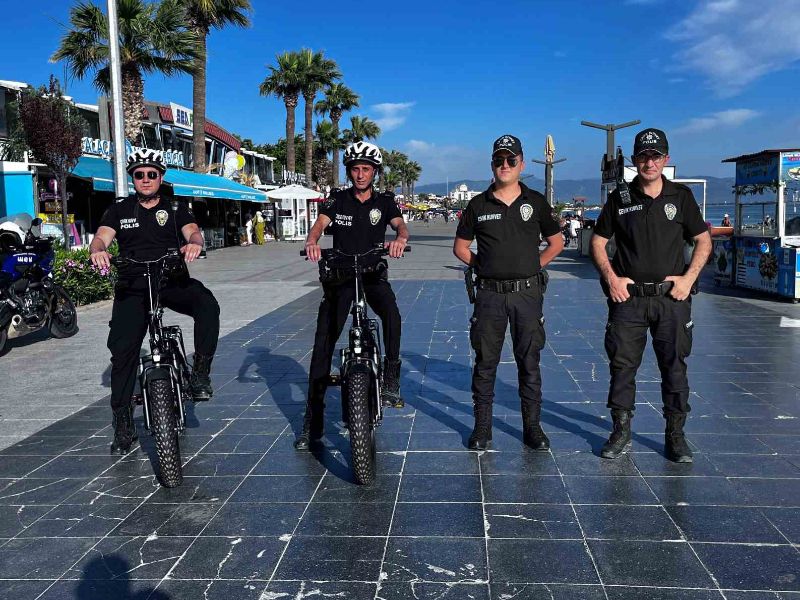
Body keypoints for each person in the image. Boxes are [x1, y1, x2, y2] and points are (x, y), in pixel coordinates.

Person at [590, 128, 711, 463]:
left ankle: (675, 435)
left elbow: (703, 240)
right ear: (634, 160)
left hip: (671, 300)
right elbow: (598, 242)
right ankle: (621, 431)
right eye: (643, 156)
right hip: (628, 301)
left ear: (666, 159)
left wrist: (688, 279)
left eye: (656, 156)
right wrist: (612, 279)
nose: (649, 162)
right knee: (622, 367)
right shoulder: (620, 198)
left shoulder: (681, 196)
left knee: (674, 366)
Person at [90, 149, 221, 455]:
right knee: (122, 352)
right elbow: (101, 237)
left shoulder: (175, 208)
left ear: (161, 178)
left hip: (170, 281)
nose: (146, 179)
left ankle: (200, 373)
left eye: (152, 174)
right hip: (133, 286)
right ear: (133, 179)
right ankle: (123, 423)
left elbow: (193, 233)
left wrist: (194, 244)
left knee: (207, 305)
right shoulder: (119, 210)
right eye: (139, 175)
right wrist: (97, 250)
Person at [296, 141, 410, 450]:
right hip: (342, 275)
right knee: (323, 344)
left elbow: (400, 227)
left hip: (372, 272)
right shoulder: (337, 200)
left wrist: (399, 239)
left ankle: (391, 375)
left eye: (366, 169)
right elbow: (319, 226)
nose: (360, 175)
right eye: (356, 169)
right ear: (349, 172)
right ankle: (313, 421)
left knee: (392, 314)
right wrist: (312, 242)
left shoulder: (385, 202)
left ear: (375, 172)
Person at [453, 134, 564, 450]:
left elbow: (556, 242)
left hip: (527, 295)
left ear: (521, 164)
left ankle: (533, 428)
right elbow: (460, 248)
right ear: (492, 165)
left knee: (529, 362)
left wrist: (532, 265)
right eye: (499, 160)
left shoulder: (536, 202)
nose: (505, 165)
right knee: (485, 363)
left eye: (511, 160)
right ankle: (482, 429)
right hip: (489, 295)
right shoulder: (478, 204)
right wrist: (484, 265)